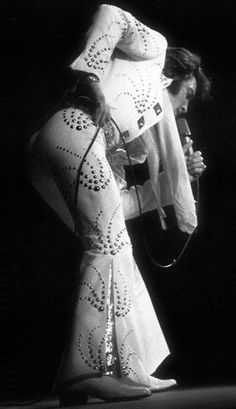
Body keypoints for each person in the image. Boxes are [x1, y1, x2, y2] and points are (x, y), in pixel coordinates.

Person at [26, 4, 210, 405]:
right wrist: (90, 75)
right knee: (108, 246)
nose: (184, 108)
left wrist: (174, 181)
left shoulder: (129, 135)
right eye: (188, 95)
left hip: (70, 137)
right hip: (75, 126)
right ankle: (82, 373)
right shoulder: (155, 48)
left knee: (114, 245)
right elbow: (111, 14)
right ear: (174, 77)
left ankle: (127, 366)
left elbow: (122, 208)